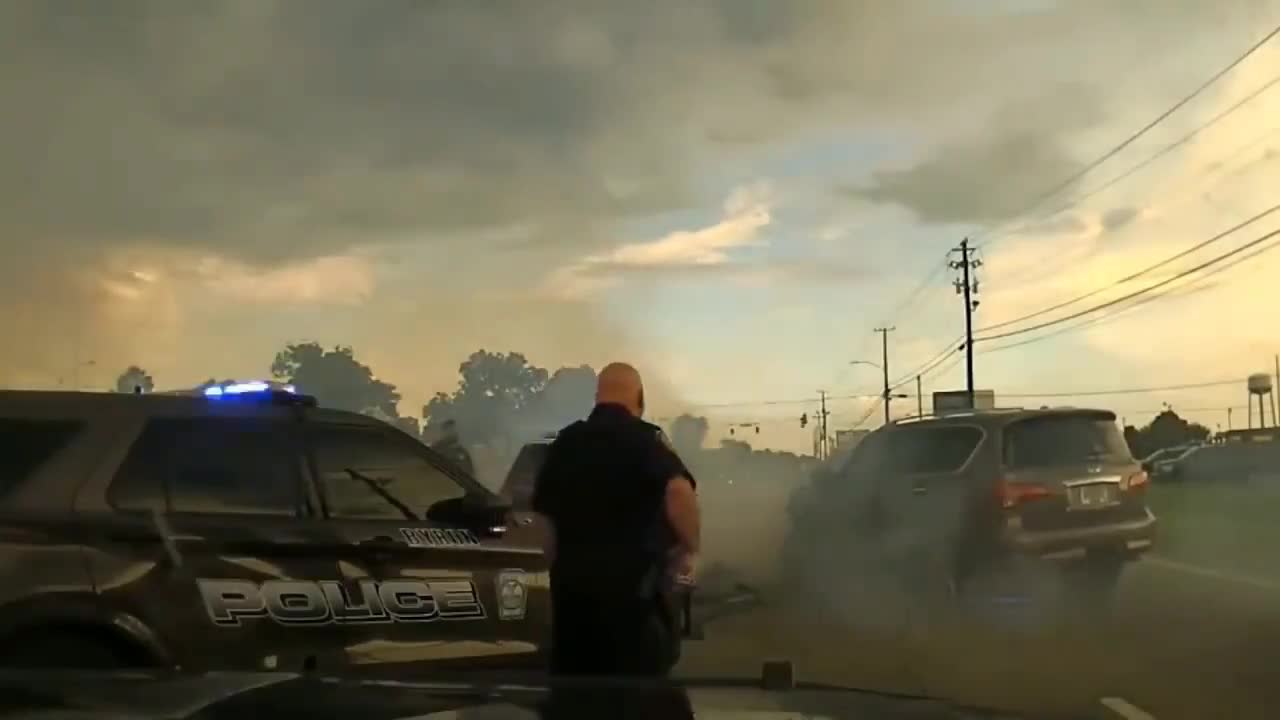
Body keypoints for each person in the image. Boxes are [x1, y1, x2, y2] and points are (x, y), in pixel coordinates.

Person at [530, 361, 701, 679]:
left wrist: (554, 564)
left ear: (597, 397)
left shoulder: (566, 444)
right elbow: (678, 491)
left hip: (572, 606)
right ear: (639, 398)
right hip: (634, 606)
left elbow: (542, 521)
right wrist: (690, 549)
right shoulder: (646, 442)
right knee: (639, 698)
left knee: (575, 698)